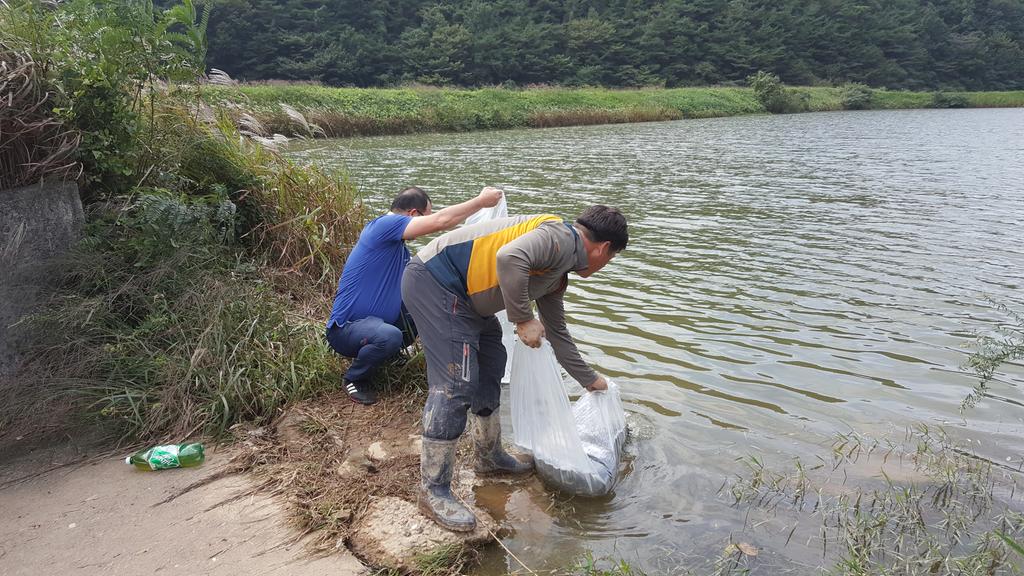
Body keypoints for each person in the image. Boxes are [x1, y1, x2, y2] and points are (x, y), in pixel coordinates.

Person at [401, 205, 628, 532]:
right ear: (604, 248)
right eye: (611, 259)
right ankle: (433, 489)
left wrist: (592, 381)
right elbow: (510, 258)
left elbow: (557, 334)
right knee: (456, 383)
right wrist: (522, 318)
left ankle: (489, 457)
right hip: (436, 284)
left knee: (493, 364)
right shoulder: (561, 238)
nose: (605, 265)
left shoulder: (556, 273)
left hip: (467, 302)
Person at [326, 185, 504, 405]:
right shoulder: (384, 225)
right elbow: (442, 221)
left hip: (375, 324)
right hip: (346, 329)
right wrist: (480, 202)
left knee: (425, 304)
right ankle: (354, 377)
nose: (428, 222)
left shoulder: (398, 249)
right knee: (389, 336)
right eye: (425, 216)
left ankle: (389, 354)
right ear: (412, 214)